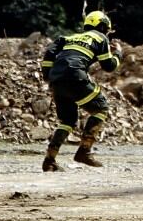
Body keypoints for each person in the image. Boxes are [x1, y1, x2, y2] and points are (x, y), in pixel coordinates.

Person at [39, 10, 122, 171]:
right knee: (101, 108)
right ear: (103, 27)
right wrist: (118, 52)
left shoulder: (69, 38)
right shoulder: (101, 38)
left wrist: (48, 76)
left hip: (57, 80)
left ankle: (50, 160)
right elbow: (109, 66)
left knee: (68, 121)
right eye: (107, 29)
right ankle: (84, 151)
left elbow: (49, 52)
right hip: (75, 76)